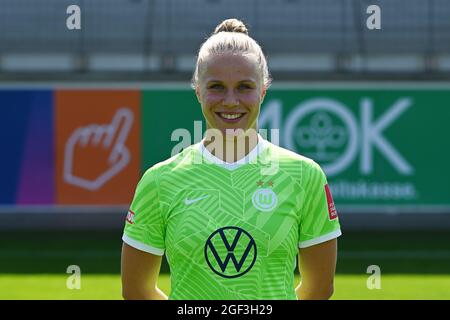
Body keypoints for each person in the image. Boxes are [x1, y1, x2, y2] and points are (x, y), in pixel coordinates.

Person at [121, 18, 341, 300]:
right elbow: (136, 291)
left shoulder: (304, 175)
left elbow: (319, 288)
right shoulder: (159, 181)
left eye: (244, 87)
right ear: (198, 90)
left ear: (263, 90)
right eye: (216, 86)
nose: (230, 100)